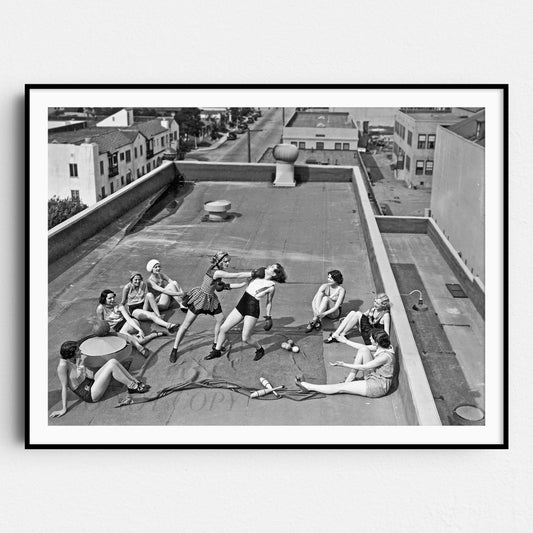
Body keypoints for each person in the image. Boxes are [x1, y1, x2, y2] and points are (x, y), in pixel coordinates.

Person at [168, 251, 254, 363]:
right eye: (226, 261)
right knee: (186, 325)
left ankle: (215, 344)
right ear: (219, 261)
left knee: (220, 319)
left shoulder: (218, 271)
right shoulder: (216, 272)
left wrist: (243, 284)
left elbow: (223, 286)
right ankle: (174, 349)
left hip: (210, 299)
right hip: (200, 298)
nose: (228, 264)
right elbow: (235, 276)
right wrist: (252, 273)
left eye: (228, 261)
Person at [206, 263, 287, 362]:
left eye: (272, 267)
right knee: (223, 328)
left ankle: (259, 349)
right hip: (242, 304)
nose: (268, 266)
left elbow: (269, 302)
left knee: (245, 338)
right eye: (270, 265)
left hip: (252, 309)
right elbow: (242, 284)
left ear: (274, 274)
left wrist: (268, 317)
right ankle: (217, 351)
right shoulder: (257, 275)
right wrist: (226, 286)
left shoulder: (271, 287)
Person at [49, 340, 149, 418]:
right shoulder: (62, 366)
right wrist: (63, 409)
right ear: (71, 354)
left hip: (91, 383)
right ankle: (133, 386)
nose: (80, 351)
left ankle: (133, 381)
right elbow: (64, 388)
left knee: (112, 361)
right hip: (89, 394)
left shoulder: (71, 359)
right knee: (111, 367)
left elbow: (80, 375)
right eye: (78, 350)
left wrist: (82, 368)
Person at [295, 329, 395, 398]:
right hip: (375, 376)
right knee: (363, 349)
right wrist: (346, 341)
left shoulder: (384, 357)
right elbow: (362, 347)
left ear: (376, 342)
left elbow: (364, 367)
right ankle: (349, 380)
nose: (370, 339)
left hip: (377, 387)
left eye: (371, 338)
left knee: (341, 388)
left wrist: (343, 364)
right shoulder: (384, 346)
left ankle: (308, 386)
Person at [96, 289, 163, 357]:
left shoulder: (119, 306)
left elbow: (129, 319)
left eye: (113, 297)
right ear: (104, 299)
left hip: (130, 324)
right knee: (140, 341)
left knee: (123, 333)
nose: (113, 299)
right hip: (118, 329)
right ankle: (154, 334)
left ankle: (139, 348)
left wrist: (140, 330)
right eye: (110, 298)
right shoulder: (100, 309)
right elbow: (101, 324)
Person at [324, 292, 391, 345]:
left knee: (358, 313)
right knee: (353, 313)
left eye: (378, 304)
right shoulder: (373, 309)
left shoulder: (385, 315)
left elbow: (386, 333)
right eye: (375, 302)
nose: (375, 304)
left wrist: (381, 344)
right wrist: (348, 319)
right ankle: (339, 334)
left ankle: (338, 335)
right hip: (367, 330)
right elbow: (363, 316)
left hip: (371, 338)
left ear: (383, 305)